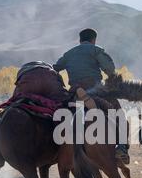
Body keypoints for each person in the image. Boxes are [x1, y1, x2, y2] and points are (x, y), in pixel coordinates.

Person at [53, 29, 129, 163]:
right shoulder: (95, 50)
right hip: (95, 90)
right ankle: (121, 148)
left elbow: (56, 68)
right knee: (119, 115)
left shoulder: (69, 53)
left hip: (75, 93)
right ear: (94, 39)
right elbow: (110, 70)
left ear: (80, 40)